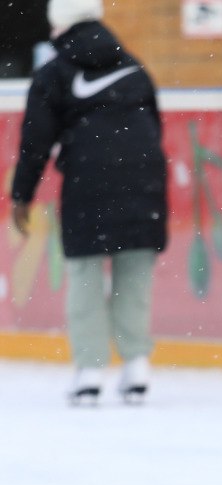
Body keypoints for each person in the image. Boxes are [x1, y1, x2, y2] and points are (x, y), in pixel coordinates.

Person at [10, 0, 168, 405]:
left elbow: (35, 143)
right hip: (144, 181)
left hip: (89, 184)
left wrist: (21, 196)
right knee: (135, 270)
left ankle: (90, 372)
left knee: (84, 273)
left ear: (57, 26)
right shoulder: (134, 67)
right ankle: (136, 369)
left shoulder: (55, 73)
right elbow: (154, 126)